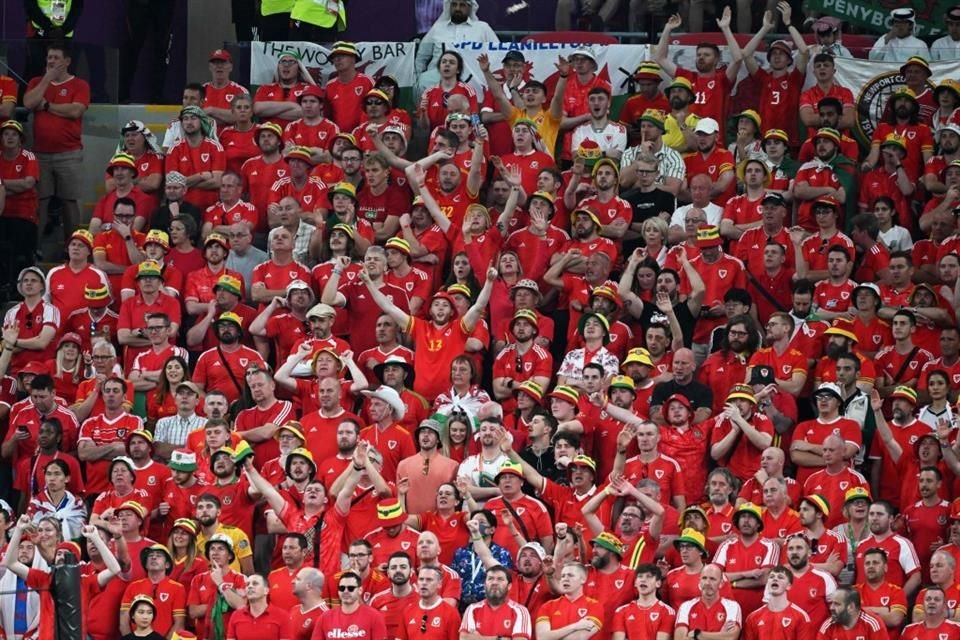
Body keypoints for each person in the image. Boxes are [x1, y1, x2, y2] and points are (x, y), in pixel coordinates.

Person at [23, 43, 90, 249]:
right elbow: (28, 103)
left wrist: (47, 106)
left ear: (67, 61)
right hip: (40, 154)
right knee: (40, 201)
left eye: (56, 58)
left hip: (69, 153)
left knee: (69, 201)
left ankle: (73, 248)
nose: (51, 61)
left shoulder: (80, 85)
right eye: (49, 57)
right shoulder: (36, 82)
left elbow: (75, 111)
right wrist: (47, 79)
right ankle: (34, 248)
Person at [314, 571, 387, 638]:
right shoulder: (324, 618)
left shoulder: (374, 617)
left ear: (360, 590)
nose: (345, 591)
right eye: (342, 588)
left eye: (351, 588)